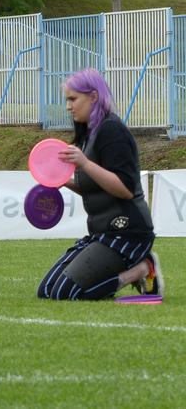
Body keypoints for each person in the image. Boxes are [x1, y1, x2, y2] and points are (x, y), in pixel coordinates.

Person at [37, 68, 163, 300]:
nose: (68, 106)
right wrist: (62, 181)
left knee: (68, 293)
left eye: (73, 99)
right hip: (100, 233)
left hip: (128, 233)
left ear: (94, 96)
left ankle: (142, 269)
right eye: (67, 100)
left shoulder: (112, 130)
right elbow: (93, 186)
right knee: (46, 291)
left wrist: (84, 163)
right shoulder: (89, 134)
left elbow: (125, 189)